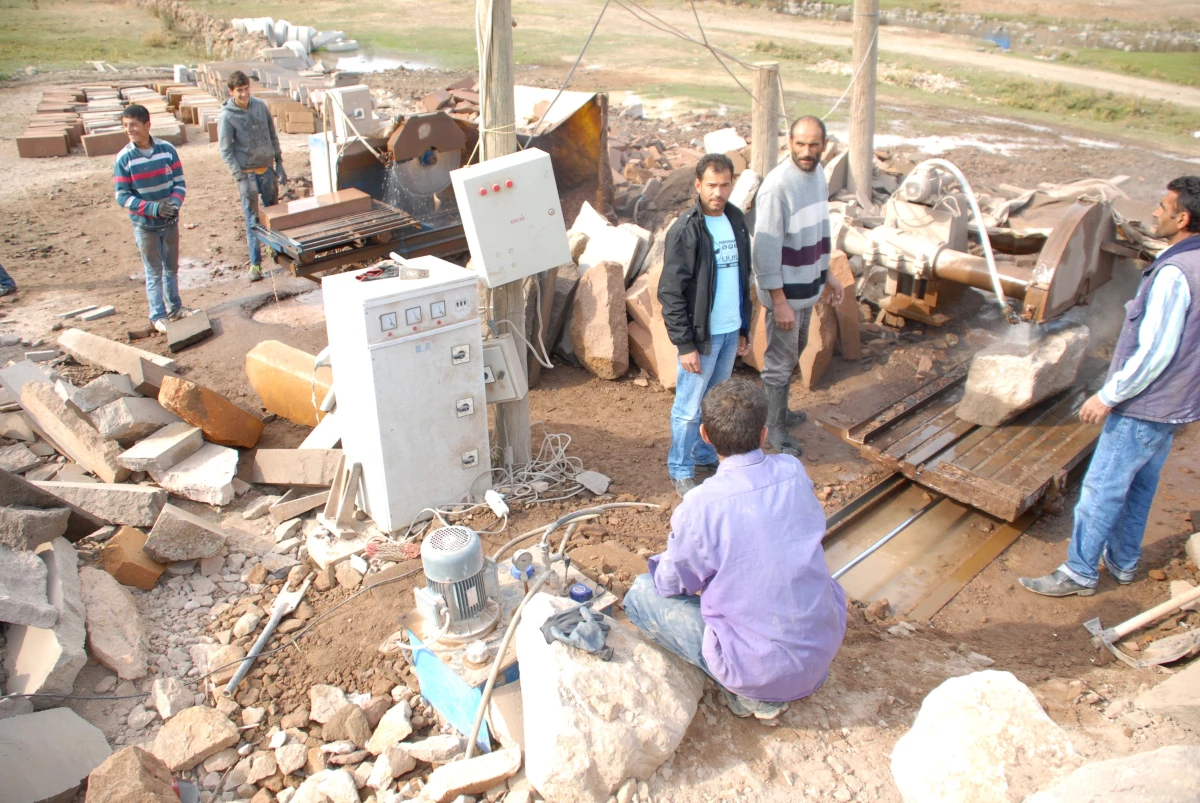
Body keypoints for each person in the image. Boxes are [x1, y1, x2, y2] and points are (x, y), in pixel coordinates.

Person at [624, 378, 847, 721]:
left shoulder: (701, 504)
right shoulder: (793, 470)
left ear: (705, 436)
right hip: (821, 652)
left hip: (762, 672)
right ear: (762, 435)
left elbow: (671, 583)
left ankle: (754, 697)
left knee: (641, 594)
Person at [1021, 176, 1200, 597]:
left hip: (1145, 404)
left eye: (1162, 205)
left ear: (1183, 217)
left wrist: (1109, 395)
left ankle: (1079, 572)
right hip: (1175, 404)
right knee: (1140, 486)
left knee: (1101, 489)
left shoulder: (1174, 273)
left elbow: (1156, 351)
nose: (1155, 212)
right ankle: (1123, 562)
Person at [658, 153, 753, 498]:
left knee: (715, 403)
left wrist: (744, 326)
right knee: (687, 408)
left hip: (729, 332)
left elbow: (743, 277)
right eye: (711, 185)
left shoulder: (735, 219)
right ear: (698, 185)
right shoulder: (687, 229)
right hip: (702, 337)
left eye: (724, 184)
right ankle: (680, 469)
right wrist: (685, 344)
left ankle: (703, 454)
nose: (718, 192)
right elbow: (670, 291)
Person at [752, 115, 845, 456]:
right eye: (800, 144)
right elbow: (764, 250)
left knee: (795, 350)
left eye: (814, 145)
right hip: (786, 293)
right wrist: (778, 300)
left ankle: (781, 413)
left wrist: (827, 273)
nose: (807, 151)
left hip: (807, 287)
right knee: (779, 360)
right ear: (789, 143)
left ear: (824, 145)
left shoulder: (818, 173)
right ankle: (773, 428)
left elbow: (820, 230)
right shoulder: (778, 186)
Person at [113, 104, 190, 333]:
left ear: (147, 125)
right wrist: (154, 209)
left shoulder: (167, 150)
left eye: (134, 125)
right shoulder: (124, 158)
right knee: (153, 271)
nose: (130, 130)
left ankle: (175, 308)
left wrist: (174, 205)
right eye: (126, 126)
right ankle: (157, 315)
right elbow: (122, 196)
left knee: (171, 268)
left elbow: (179, 183)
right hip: (145, 225)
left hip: (169, 222)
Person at [218, 70, 287, 283]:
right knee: (252, 220)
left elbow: (272, 135)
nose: (244, 94)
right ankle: (255, 265)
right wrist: (239, 177)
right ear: (231, 92)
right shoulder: (228, 116)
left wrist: (279, 162)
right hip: (247, 174)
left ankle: (275, 253)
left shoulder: (260, 107)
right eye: (239, 90)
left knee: (273, 214)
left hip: (266, 170)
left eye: (246, 89)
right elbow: (225, 151)